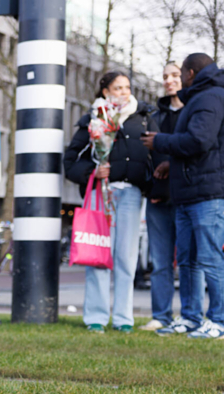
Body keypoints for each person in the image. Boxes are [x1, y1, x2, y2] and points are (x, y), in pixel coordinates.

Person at [65, 71, 157, 334]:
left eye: (127, 87)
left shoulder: (144, 117)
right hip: (99, 196)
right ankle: (96, 317)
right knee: (99, 256)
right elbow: (70, 161)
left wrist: (149, 184)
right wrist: (93, 172)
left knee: (126, 259)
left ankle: (123, 319)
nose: (124, 92)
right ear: (105, 91)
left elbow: (156, 154)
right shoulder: (92, 119)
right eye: (118, 88)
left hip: (130, 196)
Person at [143, 53, 224, 339]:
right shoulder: (199, 97)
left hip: (206, 194)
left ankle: (218, 320)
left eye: (181, 73)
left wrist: (160, 142)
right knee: (188, 260)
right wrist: (170, 164)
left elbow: (200, 140)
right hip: (188, 192)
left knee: (210, 259)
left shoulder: (210, 97)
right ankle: (190, 317)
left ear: (190, 72)